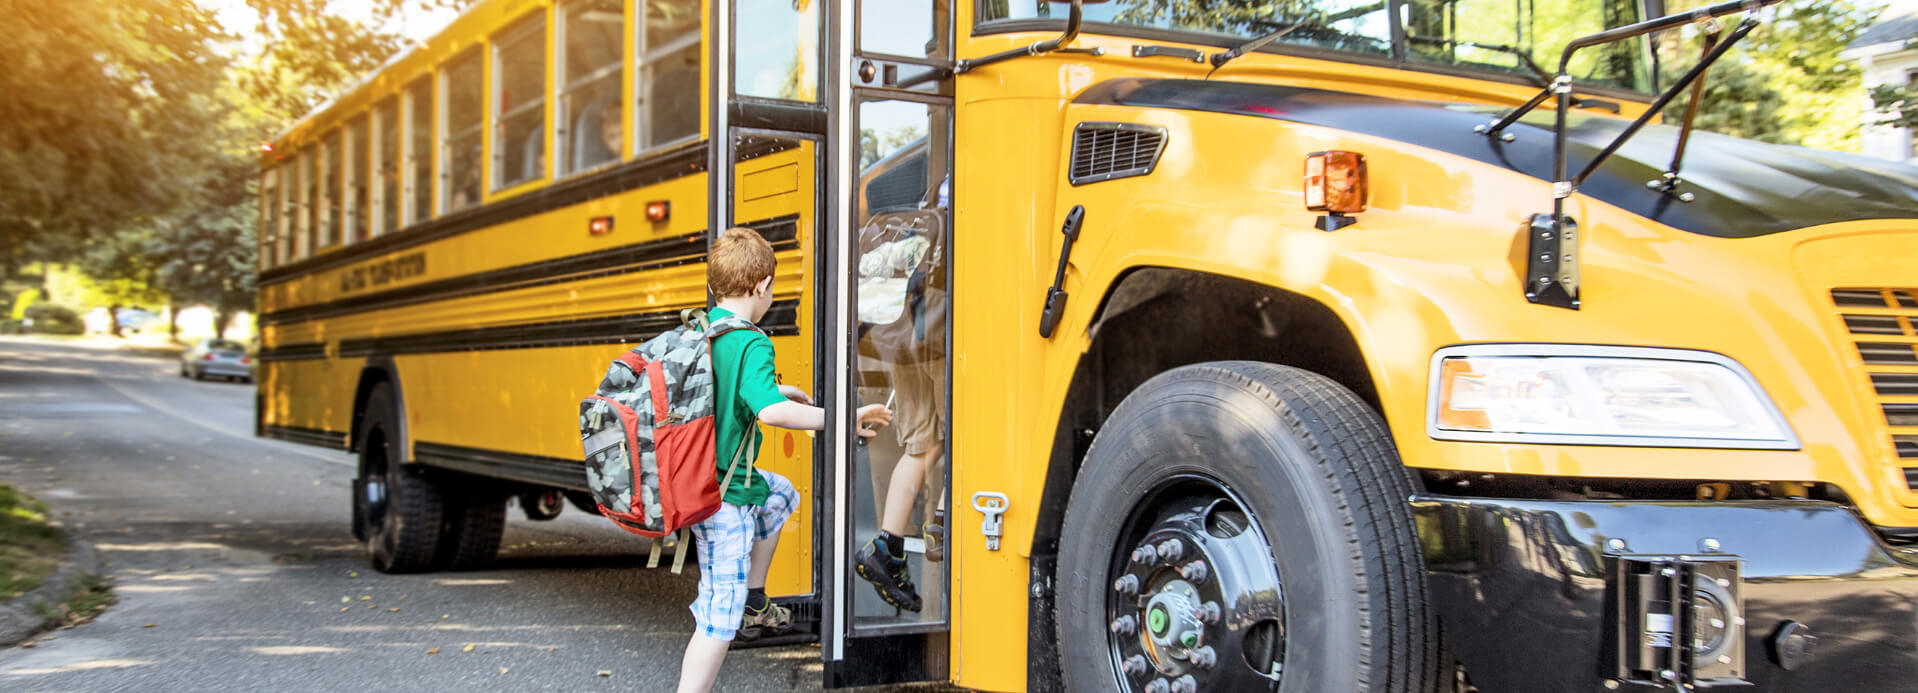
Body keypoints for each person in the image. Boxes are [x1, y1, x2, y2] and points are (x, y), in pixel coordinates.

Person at [676, 226, 893, 693]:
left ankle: (755, 596)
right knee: (718, 618)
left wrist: (777, 391)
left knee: (780, 495)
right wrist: (837, 417)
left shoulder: (705, 328)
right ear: (762, 286)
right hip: (722, 500)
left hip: (709, 481)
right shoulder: (752, 341)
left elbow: (734, 393)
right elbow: (771, 413)